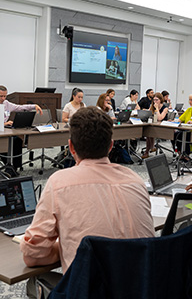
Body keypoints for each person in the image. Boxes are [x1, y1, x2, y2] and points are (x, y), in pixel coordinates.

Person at [21, 107, 155, 297]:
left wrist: (66, 246)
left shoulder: (60, 182)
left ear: (71, 147)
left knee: (34, 282)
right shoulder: (135, 179)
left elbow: (32, 255)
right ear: (111, 146)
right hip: (144, 289)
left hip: (92, 292)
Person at [0, 85, 42, 172]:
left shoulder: (6, 103)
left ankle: (15, 166)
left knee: (17, 140)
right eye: (1, 96)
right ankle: (9, 167)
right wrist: (4, 123)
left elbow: (20, 107)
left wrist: (33, 106)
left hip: (6, 131)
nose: (3, 98)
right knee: (6, 143)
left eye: (5, 96)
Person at [142, 92, 169, 159]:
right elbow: (147, 115)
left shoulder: (165, 108)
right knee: (148, 131)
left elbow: (160, 118)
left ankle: (149, 149)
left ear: (161, 100)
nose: (155, 101)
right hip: (153, 125)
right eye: (154, 100)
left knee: (150, 132)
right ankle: (149, 150)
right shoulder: (152, 106)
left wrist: (156, 109)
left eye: (157, 100)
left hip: (162, 127)